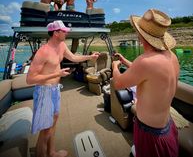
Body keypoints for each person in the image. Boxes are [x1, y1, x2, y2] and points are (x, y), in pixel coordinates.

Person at [26, 20, 99, 157]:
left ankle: (52, 152)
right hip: (44, 92)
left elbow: (73, 57)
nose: (66, 32)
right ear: (55, 33)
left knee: (53, 124)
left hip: (55, 90)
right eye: (63, 31)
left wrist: (90, 56)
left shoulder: (62, 45)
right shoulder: (43, 52)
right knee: (45, 130)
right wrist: (57, 74)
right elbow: (30, 79)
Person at [112, 9, 179, 157]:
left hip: (151, 134)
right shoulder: (172, 57)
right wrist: (124, 61)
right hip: (167, 125)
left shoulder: (145, 62)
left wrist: (115, 67)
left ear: (140, 35)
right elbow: (148, 73)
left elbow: (117, 83)